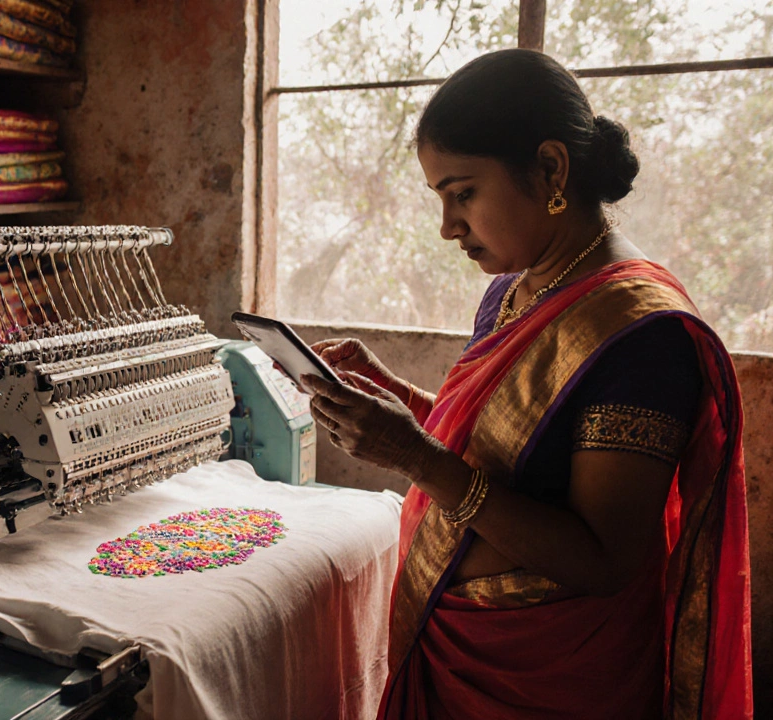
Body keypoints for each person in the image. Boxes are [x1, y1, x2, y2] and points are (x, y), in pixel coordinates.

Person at [299, 49, 753, 719]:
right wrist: (396, 398)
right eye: (441, 199)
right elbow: (505, 456)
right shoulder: (515, 290)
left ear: (550, 168)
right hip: (458, 645)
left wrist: (412, 455)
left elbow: (604, 559)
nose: (449, 226)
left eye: (464, 193)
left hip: (553, 679)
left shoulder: (641, 340)